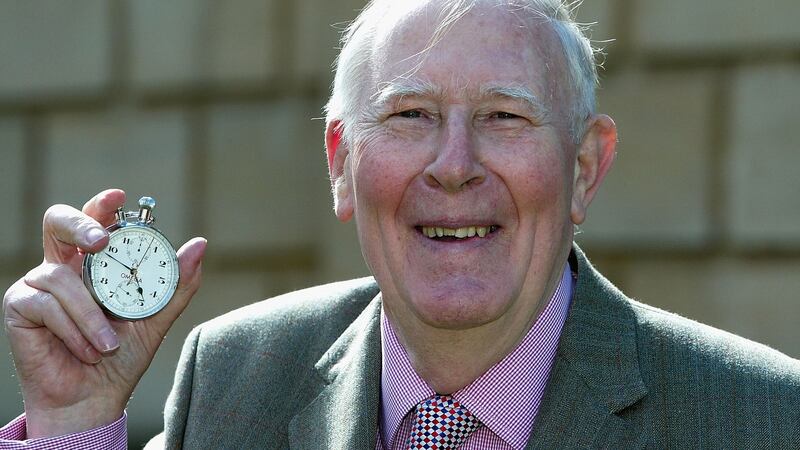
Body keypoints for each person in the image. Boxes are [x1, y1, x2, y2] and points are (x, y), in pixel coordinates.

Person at [3, 0, 799, 448]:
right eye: (411, 114)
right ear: (341, 164)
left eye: (505, 116)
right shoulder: (233, 384)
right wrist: (75, 423)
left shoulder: (760, 418)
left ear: (584, 168)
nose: (454, 164)